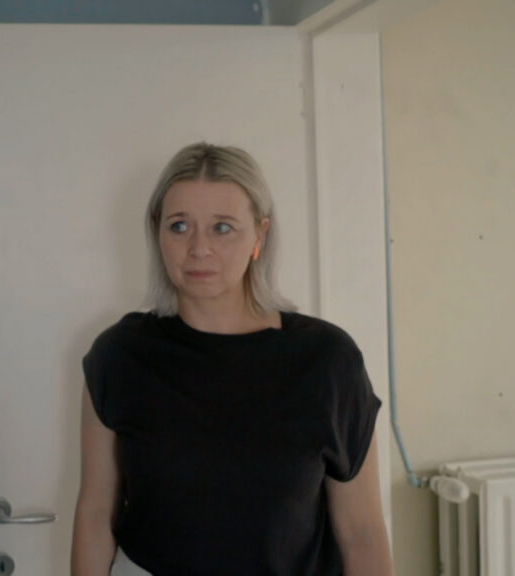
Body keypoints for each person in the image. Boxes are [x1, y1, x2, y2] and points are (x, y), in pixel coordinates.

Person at [71, 143, 392, 576]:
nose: (199, 248)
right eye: (179, 226)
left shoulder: (328, 361)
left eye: (222, 228)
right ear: (157, 232)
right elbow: (95, 515)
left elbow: (362, 533)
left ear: (260, 236)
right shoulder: (119, 356)